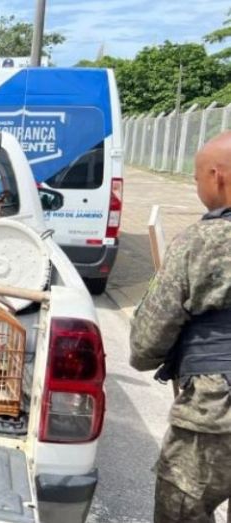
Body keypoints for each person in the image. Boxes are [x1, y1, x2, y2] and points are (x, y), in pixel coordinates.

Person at [130, 130, 231, 523]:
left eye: (196, 178)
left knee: (182, 509)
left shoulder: (203, 241)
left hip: (215, 415)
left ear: (216, 177)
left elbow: (147, 342)